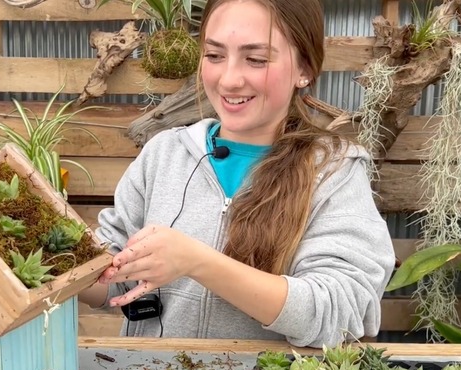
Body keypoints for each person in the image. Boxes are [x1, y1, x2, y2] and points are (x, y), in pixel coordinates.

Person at [78, 0, 395, 348]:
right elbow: (115, 278)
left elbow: (338, 313)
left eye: (256, 59)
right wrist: (56, 260)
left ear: (303, 68)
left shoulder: (333, 170)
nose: (229, 79)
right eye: (214, 56)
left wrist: (196, 261)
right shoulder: (163, 154)